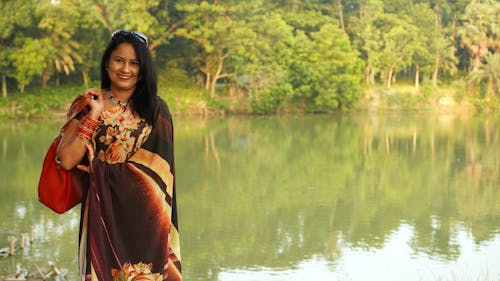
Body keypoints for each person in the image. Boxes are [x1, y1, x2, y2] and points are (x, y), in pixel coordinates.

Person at [56, 30, 182, 281]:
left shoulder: (156, 109)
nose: (126, 69)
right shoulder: (87, 102)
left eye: (134, 63)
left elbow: (160, 172)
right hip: (100, 215)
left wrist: (99, 169)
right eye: (119, 60)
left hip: (147, 219)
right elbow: (67, 159)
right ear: (107, 63)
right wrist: (93, 116)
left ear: (143, 68)